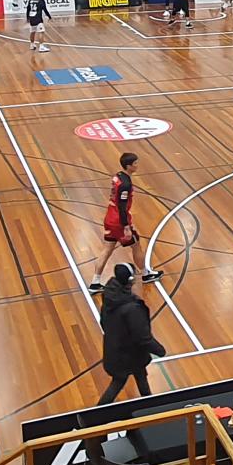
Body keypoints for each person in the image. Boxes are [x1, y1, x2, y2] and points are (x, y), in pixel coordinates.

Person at [90, 153, 164, 292]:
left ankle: (95, 281)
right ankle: (146, 274)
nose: (137, 165)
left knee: (107, 250)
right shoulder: (126, 184)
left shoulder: (118, 176)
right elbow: (122, 206)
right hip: (119, 221)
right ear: (129, 166)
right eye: (135, 163)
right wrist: (126, 227)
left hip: (110, 218)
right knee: (136, 246)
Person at [96, 263, 165, 403]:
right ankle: (95, 415)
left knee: (140, 375)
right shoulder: (132, 308)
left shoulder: (109, 296)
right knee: (118, 382)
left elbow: (103, 322)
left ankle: (149, 403)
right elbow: (143, 337)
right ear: (130, 280)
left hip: (116, 349)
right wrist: (160, 350)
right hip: (128, 353)